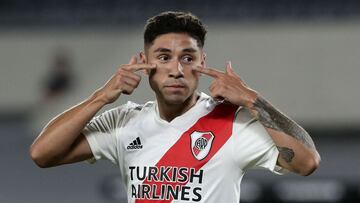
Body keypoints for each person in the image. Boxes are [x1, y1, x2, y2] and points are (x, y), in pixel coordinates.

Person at [30, 11, 321, 203]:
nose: (176, 70)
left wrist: (251, 99)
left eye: (187, 58)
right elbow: (42, 154)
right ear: (145, 63)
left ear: (201, 64)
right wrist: (101, 96)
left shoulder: (234, 123)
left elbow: (307, 162)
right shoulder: (123, 122)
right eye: (164, 57)